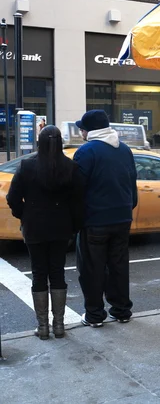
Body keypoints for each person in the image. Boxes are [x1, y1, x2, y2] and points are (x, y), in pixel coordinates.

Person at [6, 125, 84, 339]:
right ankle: (59, 325)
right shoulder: (71, 167)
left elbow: (12, 198)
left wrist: (25, 215)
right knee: (58, 272)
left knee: (38, 273)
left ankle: (43, 327)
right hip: (61, 228)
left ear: (39, 142)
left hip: (34, 227)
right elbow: (78, 203)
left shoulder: (27, 166)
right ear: (60, 143)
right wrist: (73, 226)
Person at [74, 110, 137, 328]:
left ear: (89, 130)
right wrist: (128, 207)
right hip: (122, 218)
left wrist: (76, 219)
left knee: (92, 268)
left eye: (82, 128)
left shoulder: (86, 152)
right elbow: (132, 183)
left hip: (95, 220)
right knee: (118, 266)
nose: (80, 131)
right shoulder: (125, 149)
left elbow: (77, 190)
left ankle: (94, 315)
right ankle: (122, 311)